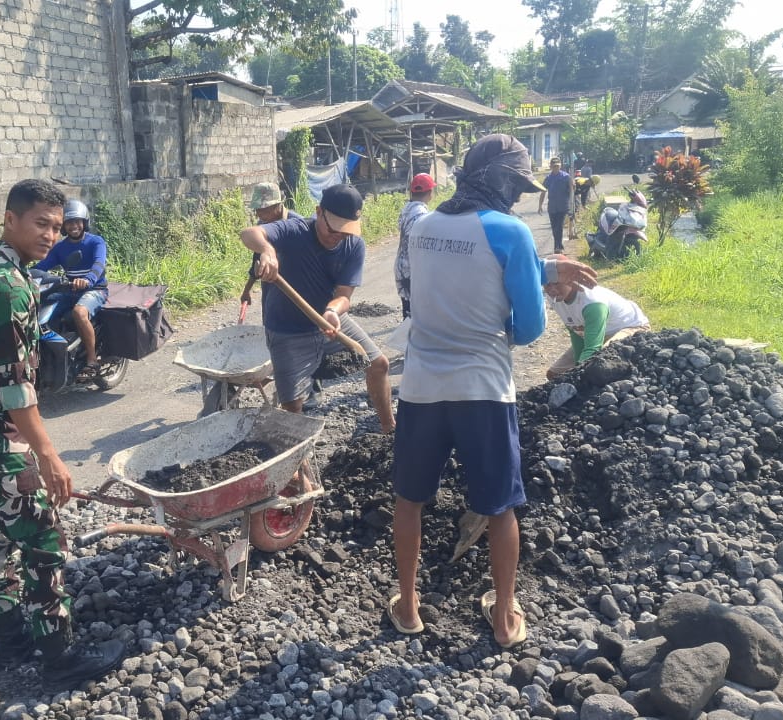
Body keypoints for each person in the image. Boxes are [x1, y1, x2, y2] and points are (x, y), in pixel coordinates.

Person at [388, 134, 597, 648]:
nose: (518, 196)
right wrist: (536, 279)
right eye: (515, 184)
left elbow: (455, 268)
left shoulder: (421, 225)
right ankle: (504, 618)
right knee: (499, 506)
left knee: (409, 499)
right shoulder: (512, 232)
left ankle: (409, 607)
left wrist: (537, 268)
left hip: (420, 387)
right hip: (483, 389)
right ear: (499, 180)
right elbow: (526, 329)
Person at [0, 179, 124, 690]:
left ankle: (11, 636)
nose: (50, 235)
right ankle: (59, 656)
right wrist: (47, 454)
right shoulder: (8, 286)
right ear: (10, 219)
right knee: (44, 540)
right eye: (40, 223)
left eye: (57, 226)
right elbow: (16, 388)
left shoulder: (2, 272)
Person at [241, 183, 396, 433]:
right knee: (293, 405)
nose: (338, 236)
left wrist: (333, 311)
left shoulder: (353, 245)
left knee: (379, 364)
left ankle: (389, 430)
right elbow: (249, 233)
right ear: (318, 212)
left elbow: (344, 295)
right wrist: (268, 251)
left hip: (328, 320)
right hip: (287, 329)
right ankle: (297, 467)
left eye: (346, 231)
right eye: (334, 229)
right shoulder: (294, 230)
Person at [34, 199, 107, 372]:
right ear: (64, 226)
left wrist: (88, 279)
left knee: (79, 313)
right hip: (70, 290)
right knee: (42, 308)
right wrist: (23, 274)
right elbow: (42, 266)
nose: (73, 226)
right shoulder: (60, 248)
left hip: (95, 290)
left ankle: (91, 359)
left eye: (77, 221)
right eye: (69, 223)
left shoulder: (96, 242)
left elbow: (99, 264)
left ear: (84, 222)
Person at [544, 275, 650, 381]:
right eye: (547, 285)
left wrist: (577, 374)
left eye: (557, 283)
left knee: (602, 360)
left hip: (630, 327)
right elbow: (575, 332)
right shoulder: (554, 298)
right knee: (554, 375)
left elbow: (592, 348)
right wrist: (577, 364)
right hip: (598, 332)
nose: (552, 289)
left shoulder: (593, 304)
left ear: (571, 279)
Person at [395, 172, 435, 319]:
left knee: (408, 311)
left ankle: (406, 338)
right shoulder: (422, 214)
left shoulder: (406, 209)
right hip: (413, 270)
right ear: (430, 192)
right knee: (417, 315)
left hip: (401, 267)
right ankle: (409, 340)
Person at [537, 157, 572, 254]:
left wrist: (571, 205)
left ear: (560, 166)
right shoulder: (548, 178)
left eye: (557, 166)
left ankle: (557, 246)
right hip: (552, 207)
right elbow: (543, 192)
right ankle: (558, 245)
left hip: (563, 206)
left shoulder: (566, 177)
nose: (556, 167)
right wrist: (540, 205)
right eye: (554, 166)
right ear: (551, 166)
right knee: (554, 227)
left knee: (559, 226)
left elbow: (572, 191)